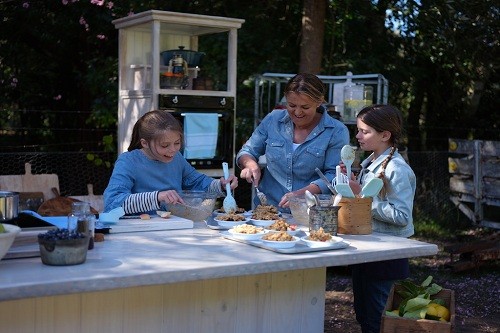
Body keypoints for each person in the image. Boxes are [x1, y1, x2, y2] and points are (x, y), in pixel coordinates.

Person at [346, 104, 416, 333]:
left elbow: (402, 216)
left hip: (387, 258)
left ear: (385, 135)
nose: (357, 135)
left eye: (364, 131)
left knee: (380, 321)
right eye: (358, 130)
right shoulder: (370, 163)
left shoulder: (396, 168)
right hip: (366, 253)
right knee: (365, 317)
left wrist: (362, 197)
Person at [236, 73, 349, 210]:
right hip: (267, 210)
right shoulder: (273, 120)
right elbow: (247, 151)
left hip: (310, 211)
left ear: (319, 102)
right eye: (291, 105)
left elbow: (334, 175)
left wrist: (302, 194)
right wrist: (250, 164)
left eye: (305, 107)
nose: (297, 112)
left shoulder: (336, 130)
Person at [103, 110, 238, 214]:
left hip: (176, 225)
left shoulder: (177, 158)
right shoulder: (128, 161)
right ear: (144, 143)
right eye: (165, 145)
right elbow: (113, 203)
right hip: (138, 231)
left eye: (177, 143)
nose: (173, 150)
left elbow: (197, 182)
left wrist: (221, 185)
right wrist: (157, 197)